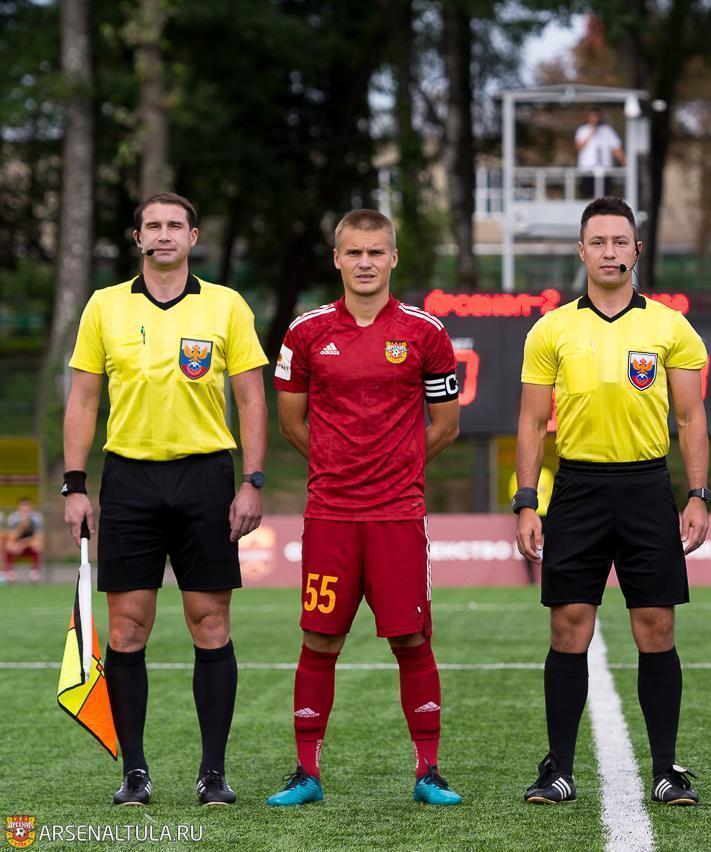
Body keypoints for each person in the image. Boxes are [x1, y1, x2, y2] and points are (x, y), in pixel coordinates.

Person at [62, 192, 268, 806]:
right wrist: (75, 484)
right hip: (129, 480)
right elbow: (83, 399)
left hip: (206, 477)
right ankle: (135, 773)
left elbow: (252, 399)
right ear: (137, 239)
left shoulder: (226, 305)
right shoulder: (104, 306)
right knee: (127, 629)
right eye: (152, 226)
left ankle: (213, 774)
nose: (163, 234)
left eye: (175, 225)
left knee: (210, 622)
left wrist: (253, 480)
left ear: (193, 237)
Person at [514, 196, 710, 806]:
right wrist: (527, 500)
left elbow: (690, 417)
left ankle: (667, 769)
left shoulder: (670, 326)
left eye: (619, 241)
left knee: (656, 626)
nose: (609, 252)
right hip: (577, 489)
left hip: (647, 488)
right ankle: (559, 768)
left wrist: (698, 493)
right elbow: (531, 421)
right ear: (581, 251)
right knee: (569, 624)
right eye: (597, 242)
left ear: (636, 250)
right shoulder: (551, 329)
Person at [268, 209, 463, 808]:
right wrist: (338, 465)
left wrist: (396, 466)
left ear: (393, 258)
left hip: (398, 514)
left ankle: (428, 771)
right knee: (319, 639)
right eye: (354, 252)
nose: (365, 263)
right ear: (337, 259)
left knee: (411, 638)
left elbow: (446, 426)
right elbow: (291, 422)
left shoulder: (426, 333)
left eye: (376, 252)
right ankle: (306, 772)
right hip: (330, 514)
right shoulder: (305, 333)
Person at [575, 108, 626, 199]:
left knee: (604, 197)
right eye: (592, 116)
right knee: (588, 196)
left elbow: (616, 149)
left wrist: (624, 161)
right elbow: (579, 147)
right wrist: (591, 133)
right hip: (587, 170)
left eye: (596, 116)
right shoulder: (582, 130)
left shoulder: (607, 131)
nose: (595, 118)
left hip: (605, 170)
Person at [4, 497, 44, 582]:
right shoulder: (13, 517)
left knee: (38, 544)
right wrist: (22, 525)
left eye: (27, 506)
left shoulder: (37, 517)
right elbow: (12, 537)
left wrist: (23, 543)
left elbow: (38, 536)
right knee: (9, 545)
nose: (25, 508)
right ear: (19, 507)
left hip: (29, 544)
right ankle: (10, 573)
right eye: (23, 506)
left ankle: (35, 573)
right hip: (17, 545)